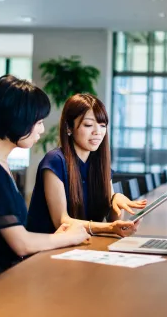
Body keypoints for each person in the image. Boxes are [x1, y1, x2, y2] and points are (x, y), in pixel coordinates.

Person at [0, 75, 90, 293]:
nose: (42, 130)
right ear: (19, 120)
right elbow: (21, 243)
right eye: (39, 122)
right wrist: (68, 238)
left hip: (0, 269)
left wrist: (57, 238)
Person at [27, 93, 146, 237]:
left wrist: (116, 200)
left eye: (102, 125)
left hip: (81, 246)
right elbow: (61, 221)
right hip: (46, 251)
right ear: (69, 128)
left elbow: (113, 221)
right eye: (88, 125)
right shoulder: (55, 161)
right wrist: (109, 227)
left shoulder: (100, 164)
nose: (98, 132)